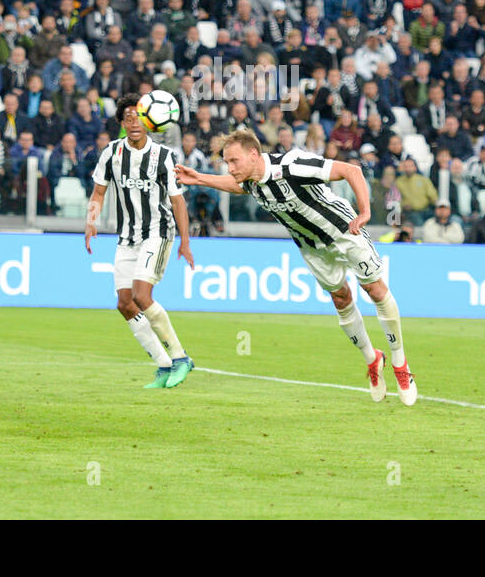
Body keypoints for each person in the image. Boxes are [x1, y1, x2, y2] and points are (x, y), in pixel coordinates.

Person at [176, 128, 417, 406]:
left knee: (375, 290)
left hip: (343, 231)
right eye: (227, 163)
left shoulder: (292, 165)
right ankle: (373, 360)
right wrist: (198, 178)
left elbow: (351, 170)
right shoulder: (251, 179)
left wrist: (364, 211)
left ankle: (400, 365)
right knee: (341, 298)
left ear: (254, 155)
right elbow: (236, 186)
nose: (230, 168)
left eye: (234, 161)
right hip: (310, 246)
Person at [85, 93, 196, 389]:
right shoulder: (111, 153)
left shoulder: (164, 157)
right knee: (124, 303)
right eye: (128, 118)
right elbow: (98, 192)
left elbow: (178, 202)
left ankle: (181, 357)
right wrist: (91, 221)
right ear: (122, 123)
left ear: (149, 121)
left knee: (141, 295)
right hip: (127, 237)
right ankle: (163, 364)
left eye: (139, 117)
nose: (134, 122)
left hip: (158, 233)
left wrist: (185, 242)